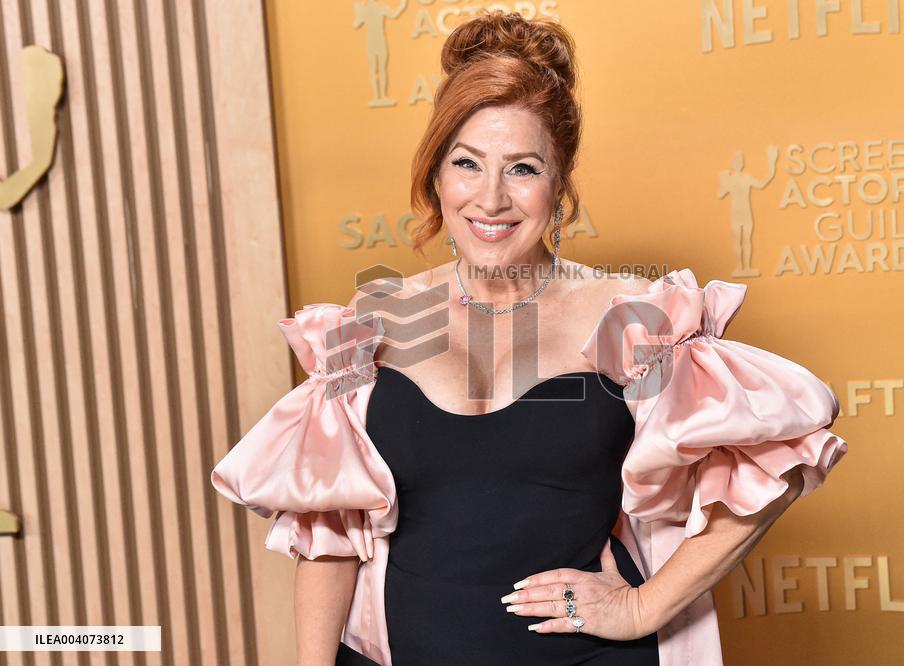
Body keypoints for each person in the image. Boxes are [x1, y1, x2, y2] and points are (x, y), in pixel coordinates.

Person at [210, 11, 848, 666]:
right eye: (467, 163)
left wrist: (643, 607)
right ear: (436, 174)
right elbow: (330, 528)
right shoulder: (375, 318)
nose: (490, 199)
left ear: (559, 183)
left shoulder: (631, 318)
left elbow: (776, 460)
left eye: (522, 168)